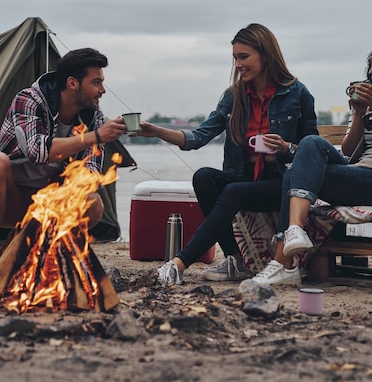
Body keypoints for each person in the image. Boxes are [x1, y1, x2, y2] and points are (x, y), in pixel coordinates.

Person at [135, 23, 318, 286]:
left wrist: (287, 148)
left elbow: (311, 152)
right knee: (204, 177)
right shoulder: (233, 98)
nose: (238, 64)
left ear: (265, 55)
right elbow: (198, 137)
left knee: (233, 192)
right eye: (235, 58)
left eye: (244, 57)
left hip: (280, 185)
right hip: (244, 179)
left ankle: (179, 262)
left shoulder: (297, 94)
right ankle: (236, 260)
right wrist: (155, 131)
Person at [253, 23, 372, 286]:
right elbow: (350, 153)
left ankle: (282, 261)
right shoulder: (366, 94)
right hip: (361, 171)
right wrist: (360, 114)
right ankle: (294, 231)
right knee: (311, 144)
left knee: (296, 172)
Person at [0, 48, 126, 269]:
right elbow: (37, 151)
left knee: (92, 203)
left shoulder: (93, 116)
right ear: (73, 83)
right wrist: (94, 137)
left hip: (51, 203)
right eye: (96, 83)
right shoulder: (29, 100)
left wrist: (77, 182)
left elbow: (91, 172)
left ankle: (45, 255)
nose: (102, 90)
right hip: (11, 201)